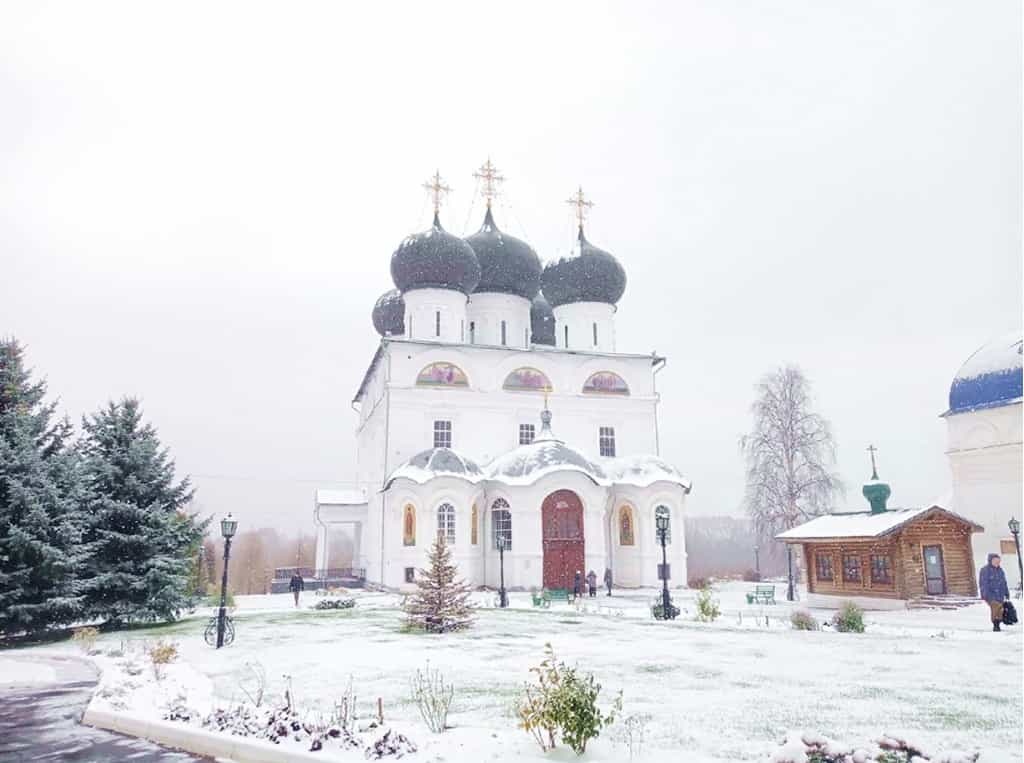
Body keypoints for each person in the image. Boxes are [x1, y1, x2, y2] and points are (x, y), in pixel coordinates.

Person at [979, 553, 1010, 631]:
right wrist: (985, 594)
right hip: (991, 594)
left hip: (1000, 594)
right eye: (995, 561)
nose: (997, 562)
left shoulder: (1000, 570)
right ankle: (995, 624)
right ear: (990, 561)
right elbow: (983, 583)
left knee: (1000, 609)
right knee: (995, 608)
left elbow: (1004, 582)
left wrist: (1006, 592)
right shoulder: (985, 570)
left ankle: (997, 623)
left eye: (998, 561)